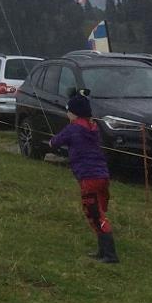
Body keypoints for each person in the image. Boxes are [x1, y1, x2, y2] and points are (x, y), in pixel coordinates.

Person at [49, 92, 118, 264]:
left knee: (94, 214)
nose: (67, 114)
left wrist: (51, 142)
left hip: (88, 177)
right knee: (99, 211)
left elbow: (56, 142)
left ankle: (110, 254)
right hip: (102, 176)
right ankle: (102, 251)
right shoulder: (93, 127)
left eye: (68, 111)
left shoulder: (73, 128)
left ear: (74, 113)